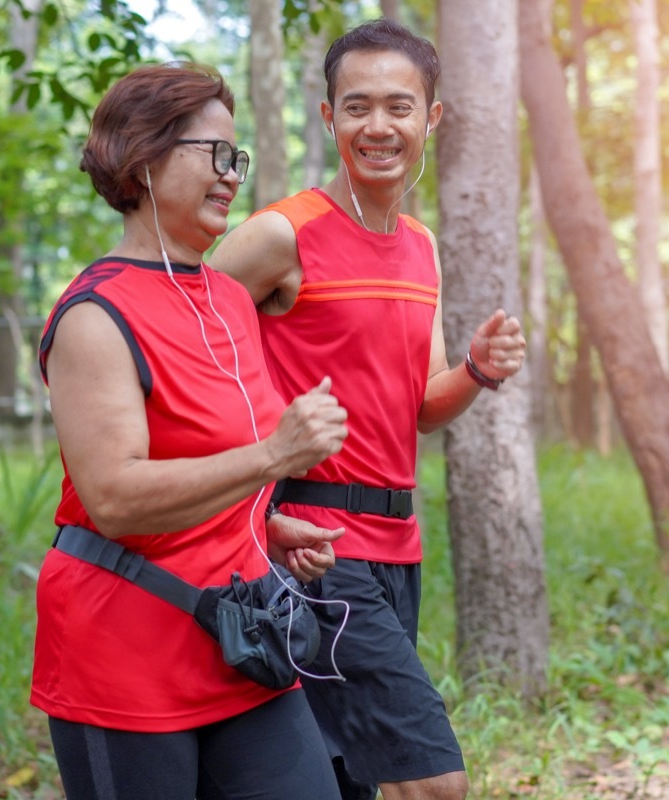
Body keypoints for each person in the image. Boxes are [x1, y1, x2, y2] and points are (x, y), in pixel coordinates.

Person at [210, 18, 527, 800]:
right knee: (432, 781)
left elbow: (418, 405)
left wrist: (476, 373)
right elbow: (178, 343)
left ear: (432, 118)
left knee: (352, 778)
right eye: (356, 107)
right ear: (328, 118)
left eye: (398, 107)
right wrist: (256, 510)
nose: (378, 126)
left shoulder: (420, 245)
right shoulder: (282, 234)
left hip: (399, 549)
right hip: (318, 548)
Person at [31, 62, 350, 800]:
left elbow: (209, 459)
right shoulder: (93, 317)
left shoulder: (230, 301)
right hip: (124, 659)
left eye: (237, 158)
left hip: (242, 644)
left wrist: (261, 529)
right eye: (215, 154)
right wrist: (274, 455)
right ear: (143, 158)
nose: (232, 175)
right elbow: (113, 497)